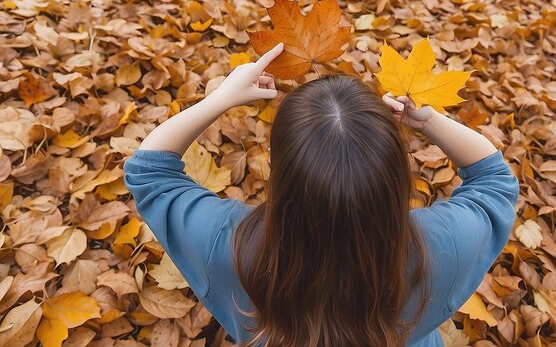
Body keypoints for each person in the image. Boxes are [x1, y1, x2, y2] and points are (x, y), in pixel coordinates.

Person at [123, 42, 519, 347]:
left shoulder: (229, 247)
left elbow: (150, 170)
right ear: (398, 174)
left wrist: (220, 98)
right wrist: (429, 122)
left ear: (278, 168)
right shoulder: (442, 248)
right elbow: (494, 181)